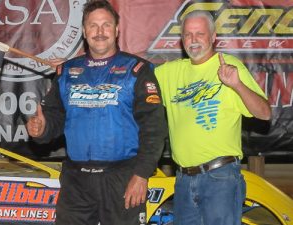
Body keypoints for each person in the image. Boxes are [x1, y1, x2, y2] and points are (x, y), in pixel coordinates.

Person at [26, 1, 167, 225]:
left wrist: (141, 175)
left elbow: (154, 129)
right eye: (93, 26)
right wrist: (41, 129)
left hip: (122, 178)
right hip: (76, 181)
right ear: (84, 31)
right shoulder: (67, 72)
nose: (100, 32)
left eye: (106, 25)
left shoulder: (137, 71)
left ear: (117, 29)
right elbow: (54, 116)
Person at [155, 10, 271, 225]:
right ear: (181, 40)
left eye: (199, 34)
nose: (193, 40)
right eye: (188, 35)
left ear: (213, 36)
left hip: (220, 178)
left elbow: (264, 113)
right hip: (182, 180)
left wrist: (237, 85)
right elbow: (134, 79)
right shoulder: (168, 73)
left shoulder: (229, 67)